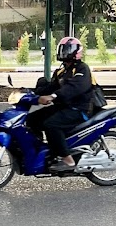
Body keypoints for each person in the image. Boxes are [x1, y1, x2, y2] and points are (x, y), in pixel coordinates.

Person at [26, 36, 93, 172]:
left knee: (51, 125)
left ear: (76, 52)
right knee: (33, 117)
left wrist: (54, 96)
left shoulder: (82, 69)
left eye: (68, 49)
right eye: (63, 49)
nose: (64, 52)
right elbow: (51, 87)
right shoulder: (62, 71)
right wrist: (30, 93)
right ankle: (41, 150)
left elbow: (74, 88)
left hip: (78, 109)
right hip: (64, 107)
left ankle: (68, 160)